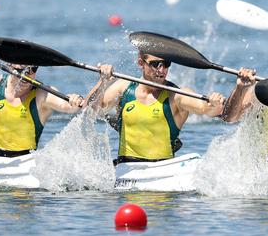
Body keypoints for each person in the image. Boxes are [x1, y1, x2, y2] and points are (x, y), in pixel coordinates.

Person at [0, 46, 86, 158]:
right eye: (22, 71)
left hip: (26, 161)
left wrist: (75, 99)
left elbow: (70, 107)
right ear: (10, 66)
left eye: (32, 70)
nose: (27, 76)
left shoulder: (42, 93)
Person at [91, 53, 225, 164]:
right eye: (155, 64)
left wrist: (214, 104)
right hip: (126, 167)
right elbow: (93, 110)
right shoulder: (123, 87)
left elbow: (205, 109)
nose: (161, 70)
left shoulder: (177, 95)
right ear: (140, 63)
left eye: (166, 64)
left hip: (162, 168)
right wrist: (102, 82)